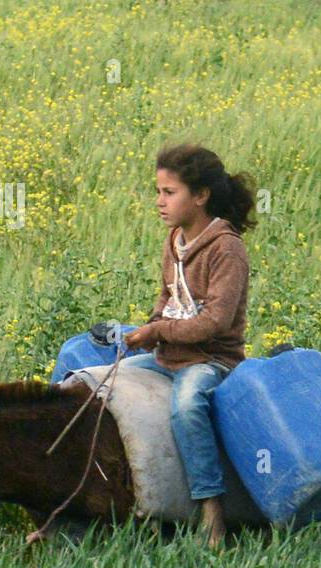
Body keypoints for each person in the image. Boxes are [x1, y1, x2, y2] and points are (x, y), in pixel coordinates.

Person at [121, 143, 256, 547]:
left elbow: (215, 322)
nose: (159, 202)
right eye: (158, 192)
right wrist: (149, 327)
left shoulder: (226, 248)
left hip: (211, 359)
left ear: (200, 196)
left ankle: (211, 506)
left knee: (187, 407)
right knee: (96, 381)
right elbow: (167, 298)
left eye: (169, 192)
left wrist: (158, 332)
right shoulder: (174, 239)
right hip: (167, 356)